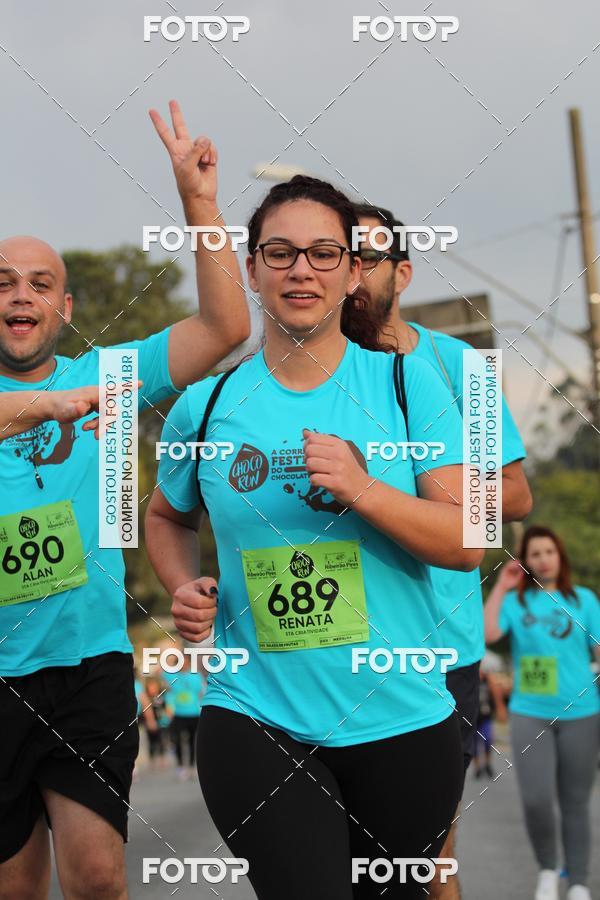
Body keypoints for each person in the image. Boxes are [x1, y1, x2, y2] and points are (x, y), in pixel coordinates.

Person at [146, 173, 485, 899]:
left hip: (402, 718)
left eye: (324, 253)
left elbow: (467, 540)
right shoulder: (203, 407)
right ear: (252, 269)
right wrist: (183, 585)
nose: (301, 268)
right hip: (256, 717)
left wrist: (365, 489)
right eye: (281, 252)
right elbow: (166, 515)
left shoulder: (408, 385)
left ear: (354, 271)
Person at [0, 101, 250, 900]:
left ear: (64, 309)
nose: (22, 295)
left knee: (101, 878)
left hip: (88, 667)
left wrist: (199, 205)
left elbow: (224, 328)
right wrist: (39, 409)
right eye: (4, 283)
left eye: (41, 284)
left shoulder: (105, 376)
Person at [350, 204, 532, 900]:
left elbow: (514, 494)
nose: (355, 273)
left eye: (369, 258)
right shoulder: (303, 363)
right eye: (345, 256)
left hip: (433, 644)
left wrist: (408, 488)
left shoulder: (455, 366)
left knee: (427, 860)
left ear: (403, 271)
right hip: (320, 647)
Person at [484, 525, 600, 900]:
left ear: (560, 555)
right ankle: (548, 870)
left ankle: (579, 881)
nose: (543, 559)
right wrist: (502, 586)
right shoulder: (517, 604)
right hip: (530, 712)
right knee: (535, 799)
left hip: (582, 712)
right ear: (526, 561)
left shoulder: (584, 600)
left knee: (575, 802)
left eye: (549, 551)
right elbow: (487, 635)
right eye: (535, 553)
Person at [165, 654, 204, 780]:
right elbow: (162, 673)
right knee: (177, 741)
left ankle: (192, 766)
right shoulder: (172, 676)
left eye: (186, 661)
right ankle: (181, 766)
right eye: (181, 662)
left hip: (194, 713)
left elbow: (201, 693)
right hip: (178, 714)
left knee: (193, 741)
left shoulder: (196, 676)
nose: (184, 664)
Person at [472, 663, 507, 779]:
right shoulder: (470, 680)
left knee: (487, 739)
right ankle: (477, 767)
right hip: (473, 717)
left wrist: (500, 708)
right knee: (474, 743)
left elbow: (497, 694)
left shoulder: (488, 680)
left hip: (486, 716)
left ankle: (487, 764)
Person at [144, 676, 172, 770]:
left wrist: (167, 715)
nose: (152, 688)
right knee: (151, 742)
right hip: (150, 723)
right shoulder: (146, 697)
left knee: (161, 741)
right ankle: (152, 760)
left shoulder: (162, 696)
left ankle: (162, 759)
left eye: (154, 686)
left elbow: (167, 708)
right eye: (150, 686)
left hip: (161, 723)